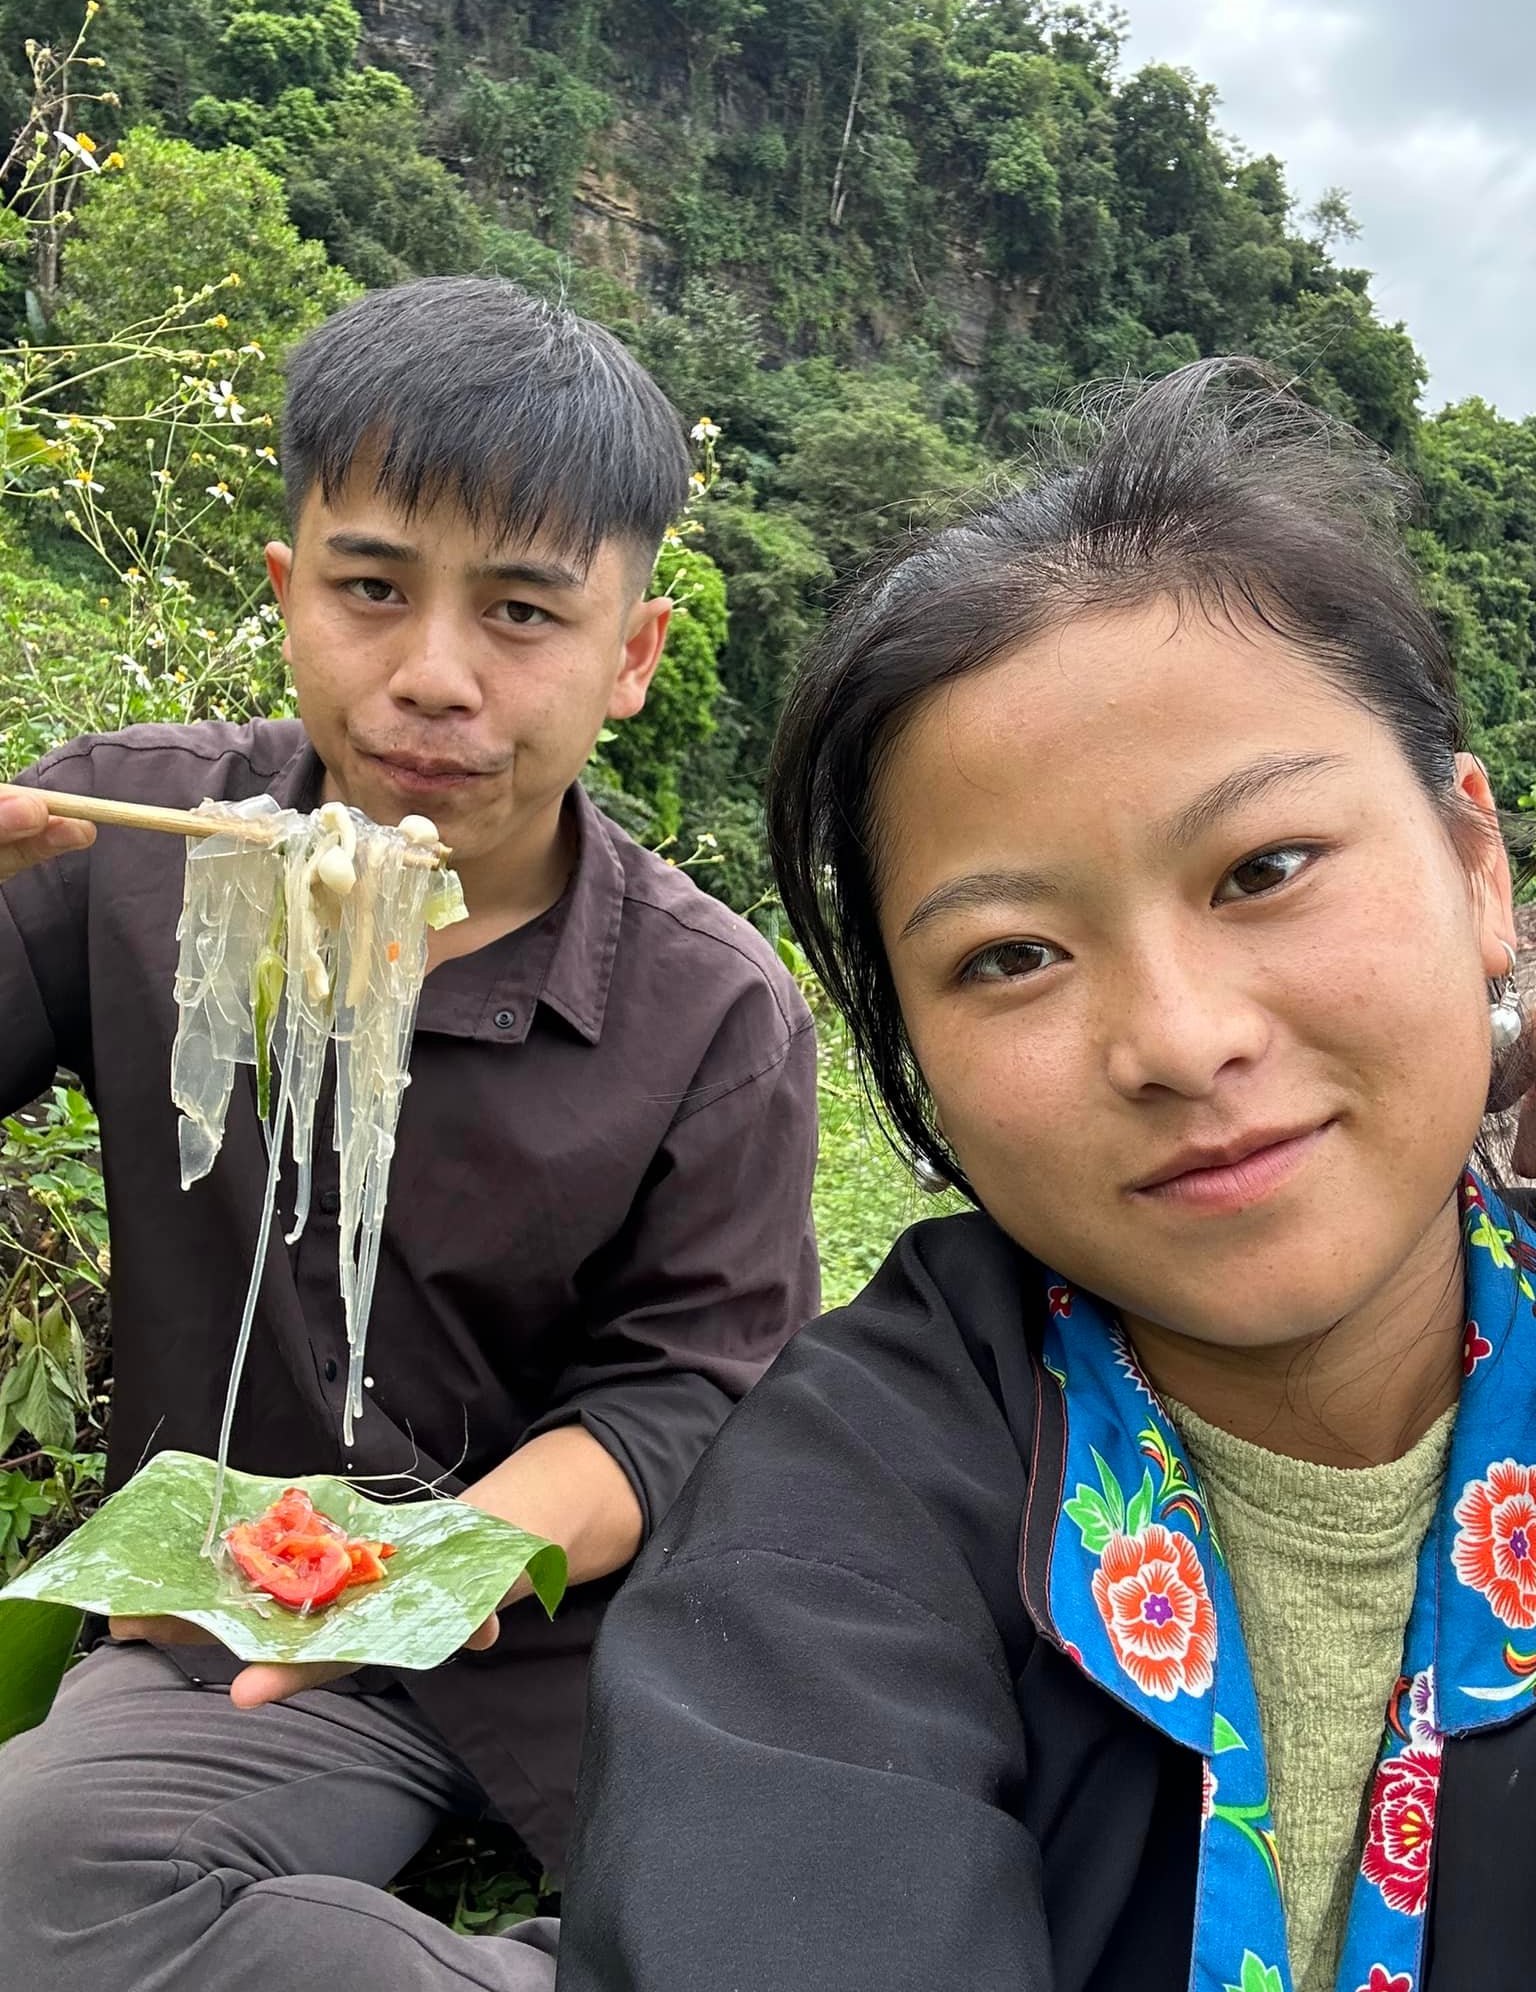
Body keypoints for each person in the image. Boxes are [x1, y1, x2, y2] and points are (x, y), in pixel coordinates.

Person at [558, 360, 1536, 1992]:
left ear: (1475, 865)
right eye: (1012, 956)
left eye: (1265, 868)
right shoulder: (839, 1512)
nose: (1180, 1040)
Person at [0, 276, 819, 1990]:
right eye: (373, 588)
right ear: (289, 593)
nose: (434, 677)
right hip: (227, 1622)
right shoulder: (126, 841)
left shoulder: (714, 1013)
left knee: (836, 1913)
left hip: (582, 1643)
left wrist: (416, 1573)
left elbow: (684, 1394)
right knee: (39, 1878)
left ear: (633, 656)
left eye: (522, 612)